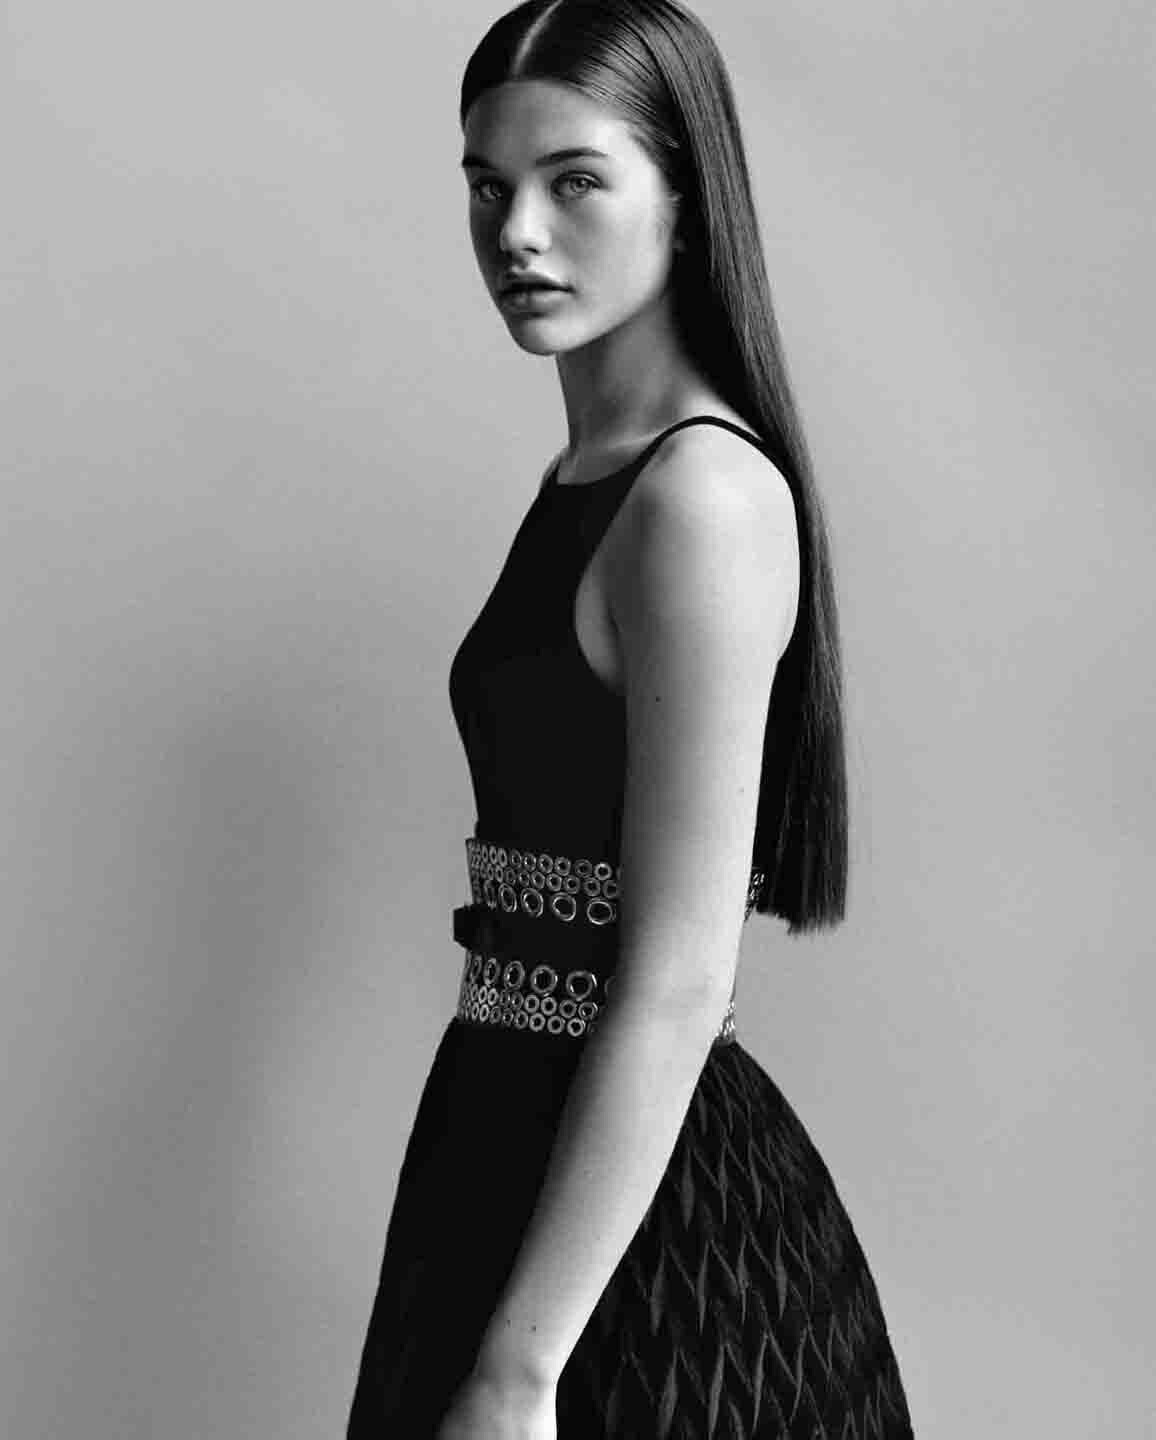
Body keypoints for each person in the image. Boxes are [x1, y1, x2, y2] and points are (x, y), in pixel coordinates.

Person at [346, 1, 915, 1435]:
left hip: (642, 1243)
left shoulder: (700, 497)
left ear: (686, 196)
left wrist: (520, 1368)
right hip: (499, 1137)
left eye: (575, 181)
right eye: (488, 186)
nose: (518, 233)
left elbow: (675, 979)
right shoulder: (585, 476)